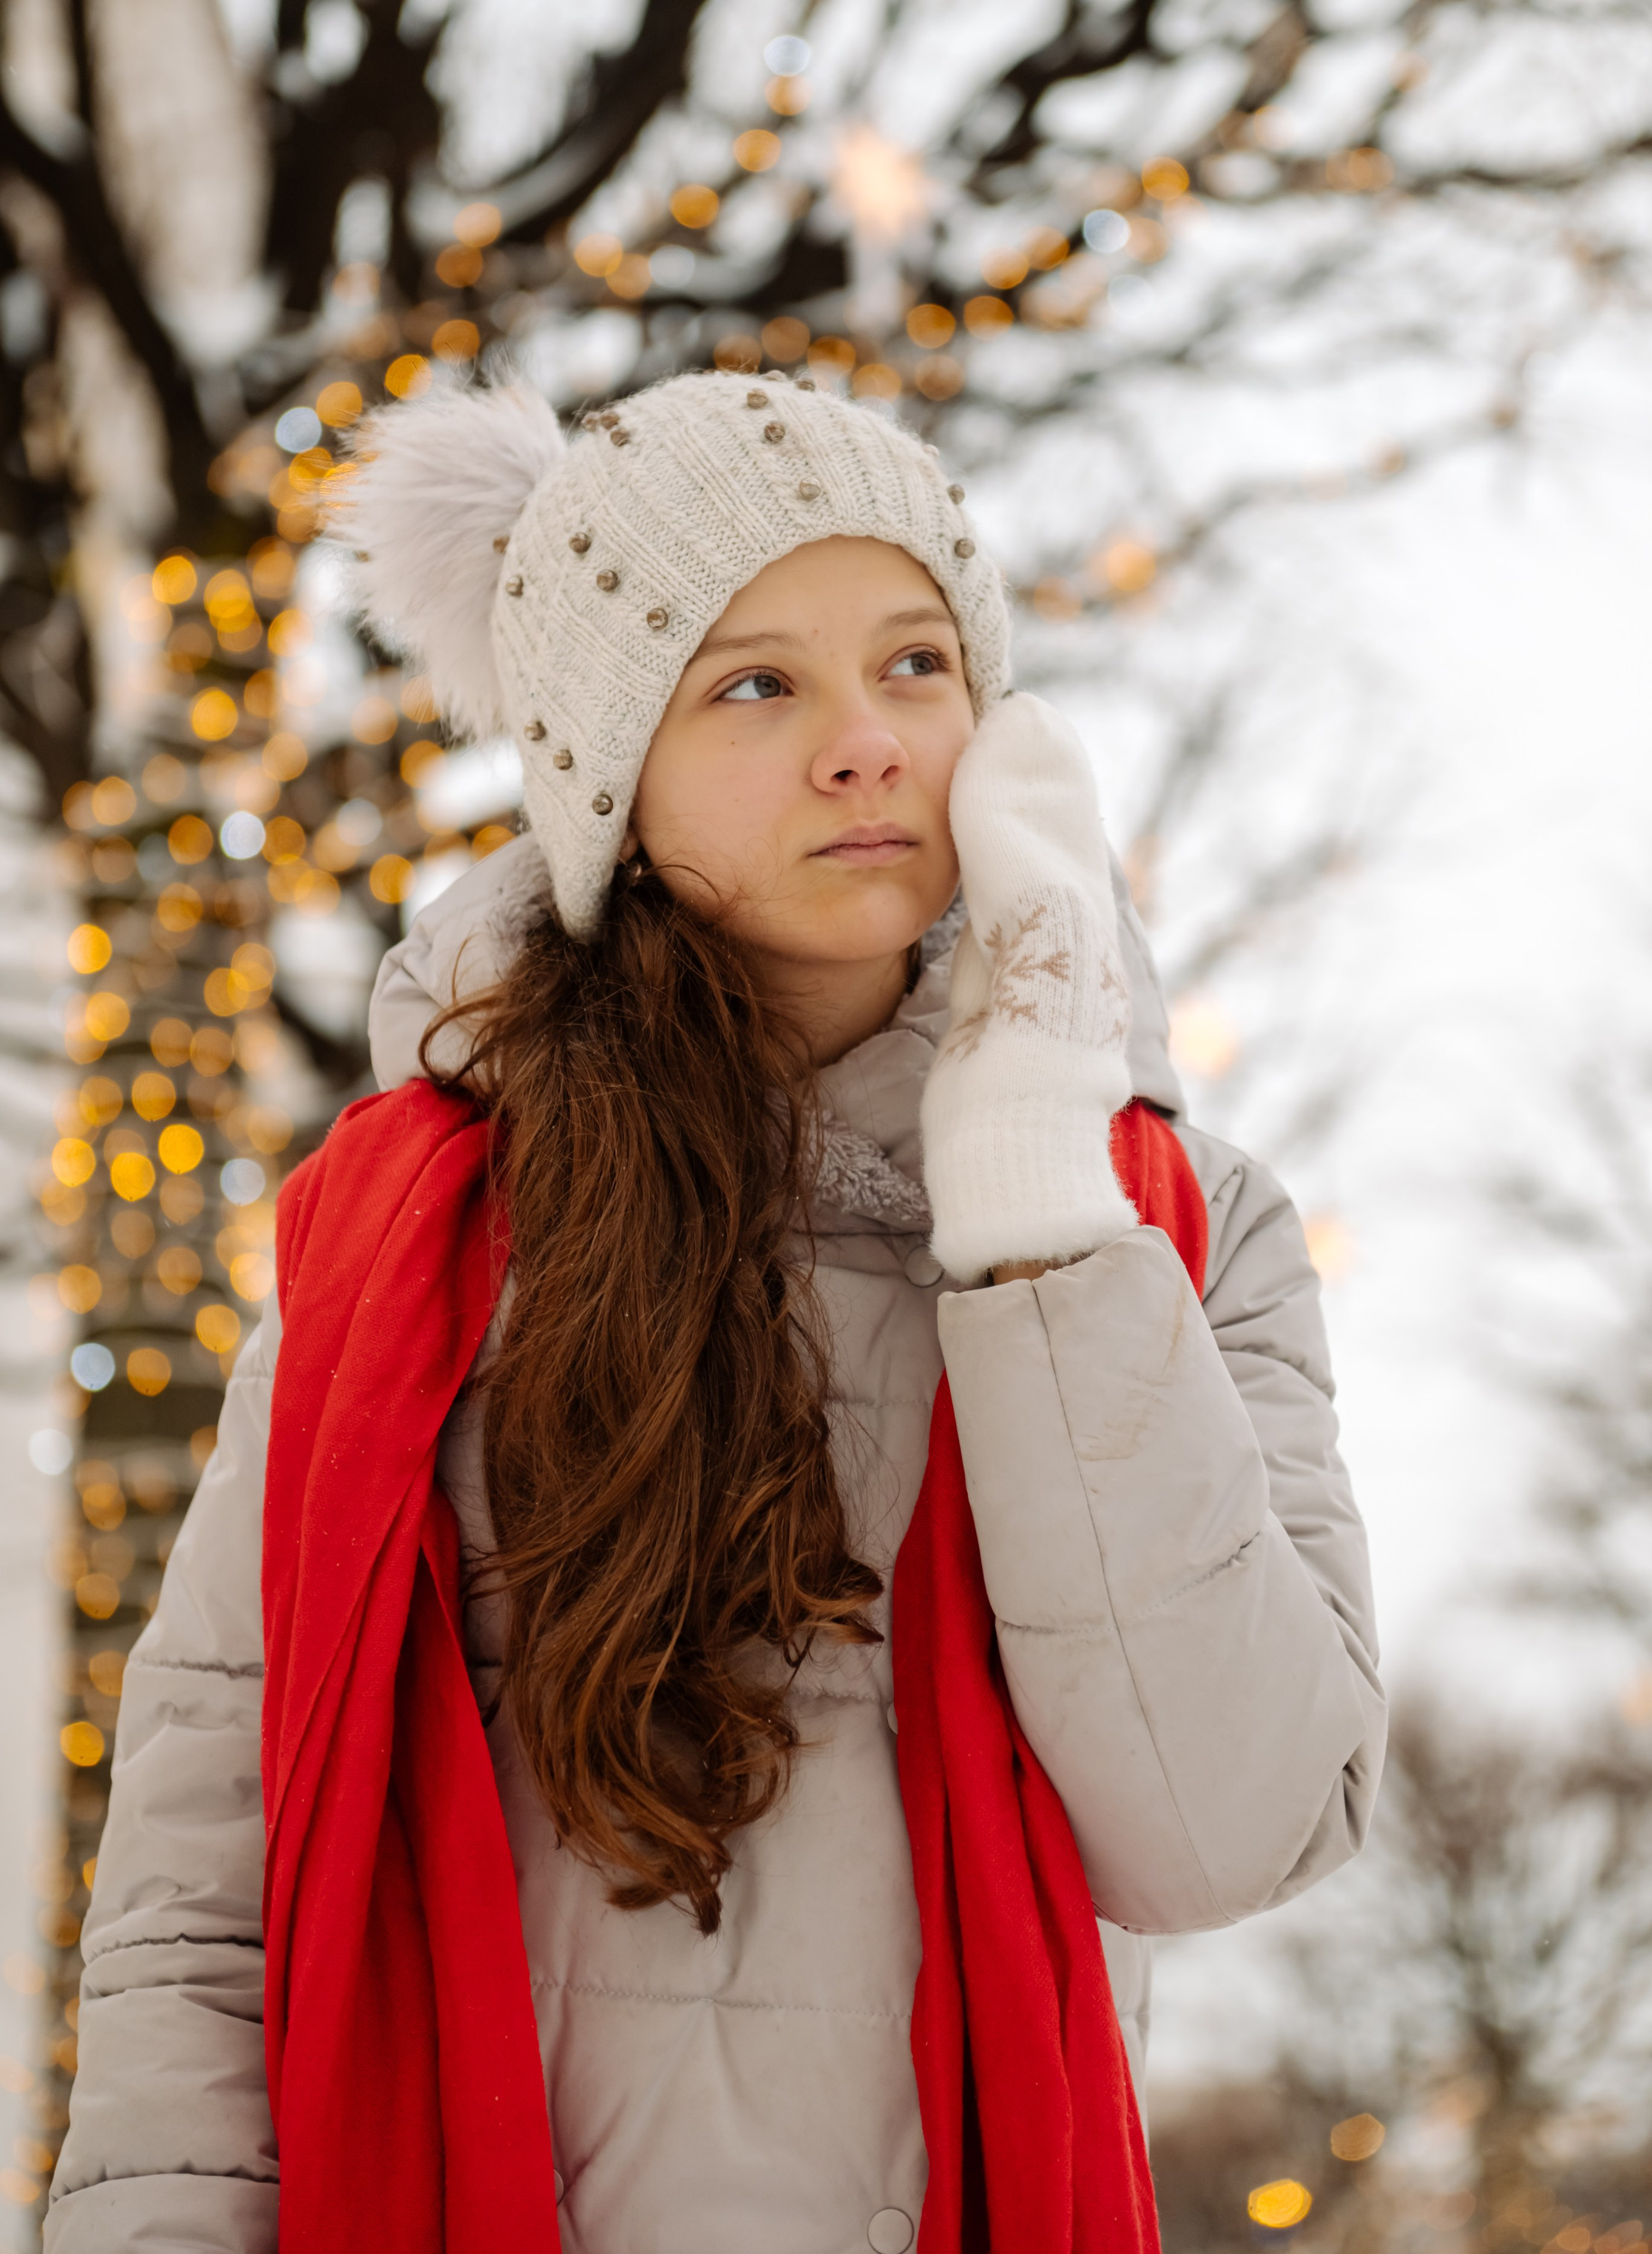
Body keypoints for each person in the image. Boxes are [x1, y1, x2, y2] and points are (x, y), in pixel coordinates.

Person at [46, 369, 1384, 2254]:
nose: (867, 744)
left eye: (919, 664)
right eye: (756, 682)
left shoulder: (1176, 1223)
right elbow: (205, 1898)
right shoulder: (414, 1249)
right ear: (610, 772)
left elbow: (1227, 1828)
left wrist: (1033, 1208)